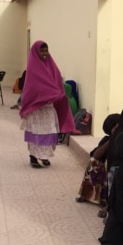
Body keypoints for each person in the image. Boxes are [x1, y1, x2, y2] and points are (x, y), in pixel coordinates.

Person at [19, 40, 76, 168]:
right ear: (36, 52)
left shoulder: (51, 66)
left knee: (49, 131)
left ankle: (44, 156)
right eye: (42, 50)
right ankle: (33, 157)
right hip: (37, 109)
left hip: (49, 108)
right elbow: (32, 88)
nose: (44, 53)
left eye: (46, 50)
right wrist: (46, 93)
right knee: (36, 132)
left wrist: (55, 93)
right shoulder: (32, 69)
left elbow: (57, 81)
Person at [75, 112, 121, 206]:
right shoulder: (107, 140)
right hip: (108, 170)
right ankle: (90, 194)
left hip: (119, 169)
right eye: (116, 128)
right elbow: (95, 155)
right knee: (94, 163)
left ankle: (110, 201)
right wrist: (111, 140)